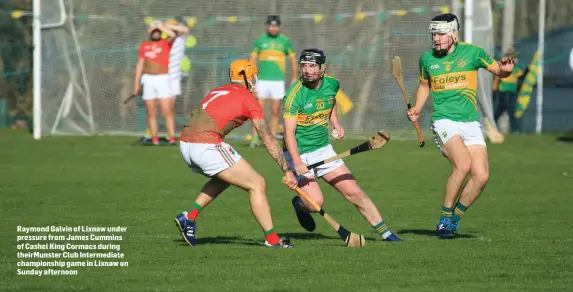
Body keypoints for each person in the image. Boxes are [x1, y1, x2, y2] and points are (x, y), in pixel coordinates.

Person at [407, 13, 515, 238]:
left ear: (454, 34)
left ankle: (454, 219)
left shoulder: (473, 53)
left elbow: (500, 71)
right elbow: (424, 85)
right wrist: (417, 107)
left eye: (441, 34)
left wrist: (507, 69)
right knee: (463, 165)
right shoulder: (427, 59)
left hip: (470, 123)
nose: (436, 39)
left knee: (482, 175)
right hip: (444, 120)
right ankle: (444, 218)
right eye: (433, 34)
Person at [174, 59, 298, 248]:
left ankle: (188, 218)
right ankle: (273, 240)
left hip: (185, 143)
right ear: (246, 76)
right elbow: (268, 138)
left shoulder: (217, 90)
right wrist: (287, 169)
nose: (255, 80)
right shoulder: (248, 98)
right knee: (257, 183)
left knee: (225, 177)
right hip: (206, 145)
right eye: (253, 76)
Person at [283, 49, 402, 242]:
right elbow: (288, 133)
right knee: (315, 204)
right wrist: (296, 162)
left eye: (312, 66)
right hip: (299, 153)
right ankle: (300, 204)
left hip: (323, 150)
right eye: (304, 65)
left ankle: (387, 234)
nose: (307, 70)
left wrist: (335, 122)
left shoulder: (332, 84)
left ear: (323, 68)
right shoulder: (294, 95)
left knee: (354, 192)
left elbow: (331, 102)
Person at [249, 15, 298, 148]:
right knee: (258, 111)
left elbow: (293, 59)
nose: (273, 28)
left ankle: (271, 140)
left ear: (279, 27)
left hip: (277, 82)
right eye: (271, 25)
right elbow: (252, 59)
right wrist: (251, 77)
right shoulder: (260, 40)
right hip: (262, 81)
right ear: (267, 26)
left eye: (276, 26)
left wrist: (294, 77)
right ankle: (254, 138)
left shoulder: (284, 41)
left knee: (275, 111)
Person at [140, 19, 189, 144]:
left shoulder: (180, 38)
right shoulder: (163, 40)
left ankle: (170, 135)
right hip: (162, 76)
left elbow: (184, 29)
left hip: (174, 78)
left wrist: (163, 25)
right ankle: (150, 133)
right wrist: (159, 27)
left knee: (169, 108)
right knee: (152, 107)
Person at [134, 21, 177, 146]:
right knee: (151, 111)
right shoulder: (144, 45)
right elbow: (140, 65)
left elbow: (172, 35)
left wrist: (159, 26)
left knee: (166, 110)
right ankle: (154, 138)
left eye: (158, 31)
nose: (156, 33)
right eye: (154, 31)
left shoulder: (165, 43)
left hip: (163, 79)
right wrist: (136, 84)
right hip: (148, 79)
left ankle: (172, 137)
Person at [493, 48, 528, 133]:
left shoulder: (516, 68)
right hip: (504, 91)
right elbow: (498, 77)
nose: (517, 60)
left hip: (512, 91)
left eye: (517, 58)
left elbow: (521, 76)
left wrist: (527, 70)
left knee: (503, 109)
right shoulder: (505, 66)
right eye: (515, 58)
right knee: (508, 110)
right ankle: (515, 129)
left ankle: (494, 125)